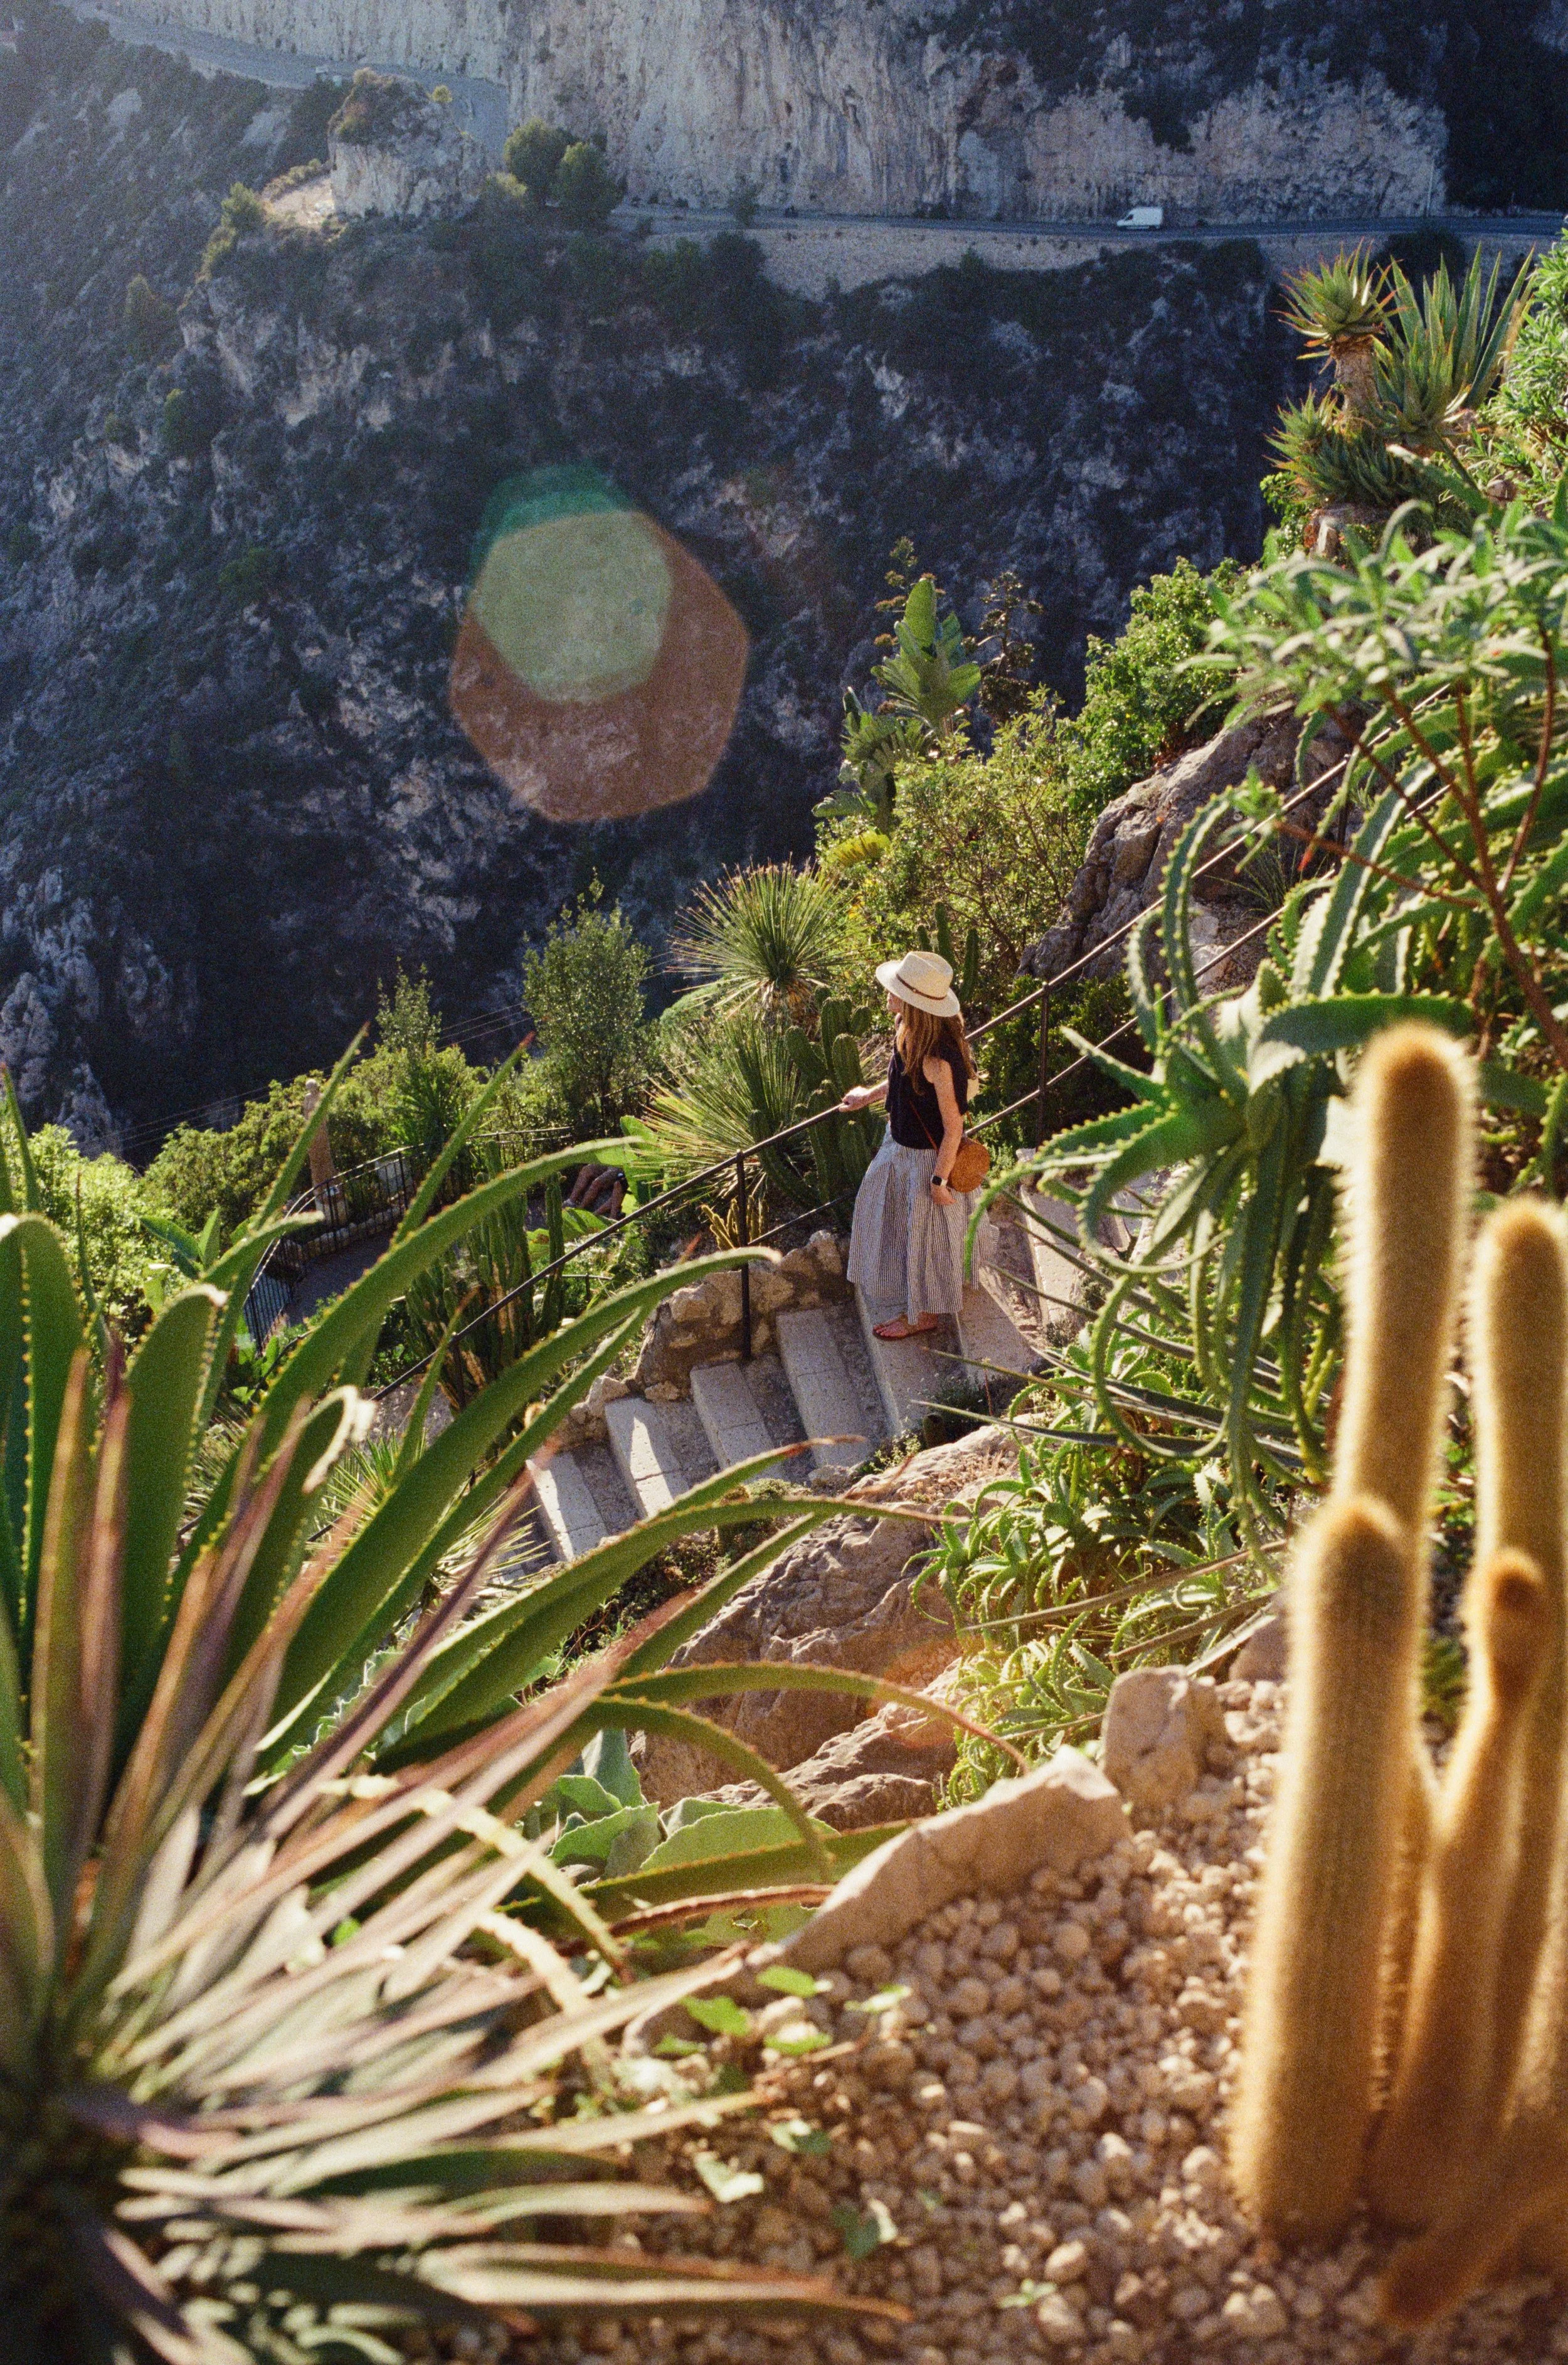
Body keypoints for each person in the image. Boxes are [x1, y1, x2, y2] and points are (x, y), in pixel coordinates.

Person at [840, 948, 980, 1340]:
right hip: (898, 1145)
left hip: (926, 1160)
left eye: (895, 990)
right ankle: (918, 1294)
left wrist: (938, 1183)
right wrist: (868, 1095)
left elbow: (953, 1127)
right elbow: (903, 1081)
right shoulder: (908, 1031)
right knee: (903, 1226)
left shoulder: (940, 1060)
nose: (887, 996)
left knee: (925, 1237)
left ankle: (923, 1315)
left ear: (915, 1002)